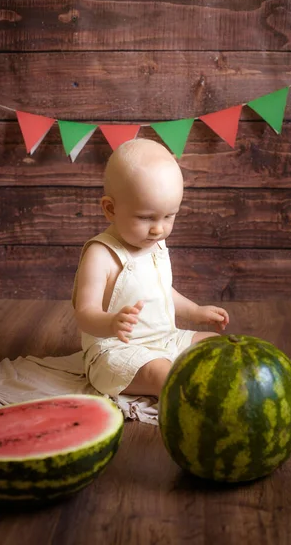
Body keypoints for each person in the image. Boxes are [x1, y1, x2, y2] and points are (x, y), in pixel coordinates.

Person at [72, 138, 229, 398]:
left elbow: (162, 291)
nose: (159, 229)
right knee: (161, 373)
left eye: (169, 216)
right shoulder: (101, 254)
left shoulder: (155, 242)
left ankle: (216, 387)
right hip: (117, 350)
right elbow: (84, 313)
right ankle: (191, 402)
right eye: (146, 217)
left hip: (166, 338)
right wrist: (111, 323)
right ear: (110, 209)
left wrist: (196, 311)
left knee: (220, 347)